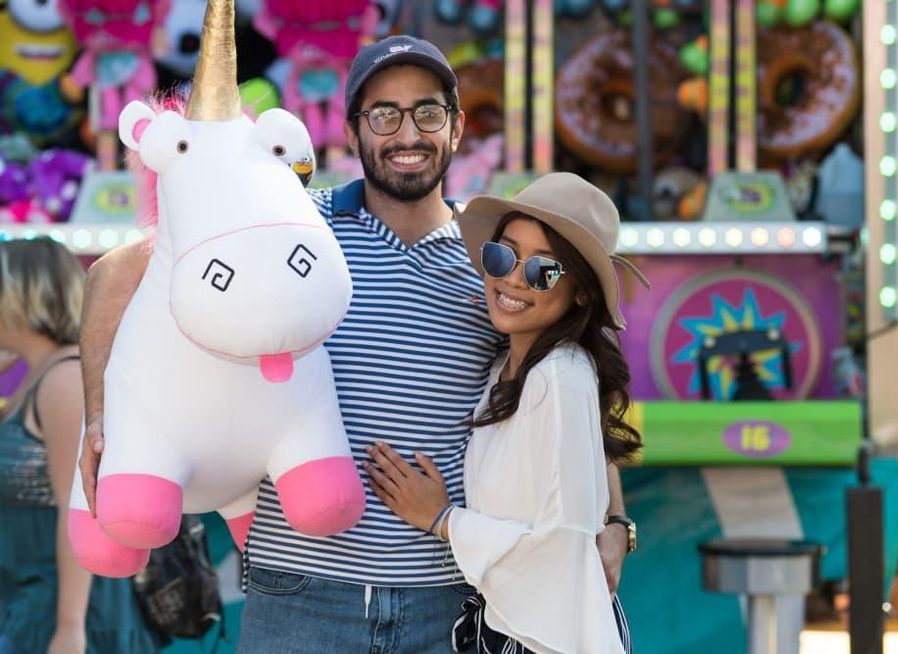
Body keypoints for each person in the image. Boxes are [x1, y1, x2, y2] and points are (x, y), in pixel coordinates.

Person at [77, 35, 634, 652]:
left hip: (446, 597)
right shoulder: (295, 225)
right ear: (351, 130)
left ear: (456, 127)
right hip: (301, 591)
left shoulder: (494, 266)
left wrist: (613, 519)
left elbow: (570, 405)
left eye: (427, 112)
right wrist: (102, 420)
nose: (407, 134)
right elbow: (114, 274)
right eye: (383, 115)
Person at [365, 173, 643, 653]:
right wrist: (619, 522)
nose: (514, 278)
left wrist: (441, 519)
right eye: (502, 256)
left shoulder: (559, 377)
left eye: (544, 271)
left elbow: (563, 543)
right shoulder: (509, 367)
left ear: (581, 292)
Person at [0, 238, 161, 654]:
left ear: (21, 295)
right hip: (31, 600)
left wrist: (69, 629)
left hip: (68, 612)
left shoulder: (62, 379)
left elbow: (79, 508)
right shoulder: (39, 375)